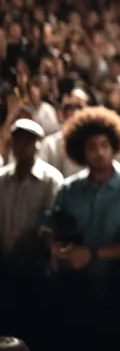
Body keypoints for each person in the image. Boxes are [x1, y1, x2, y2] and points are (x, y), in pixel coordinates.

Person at [49, 107, 120, 351]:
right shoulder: (68, 190)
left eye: (105, 145)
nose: (99, 152)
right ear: (80, 151)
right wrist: (58, 248)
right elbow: (56, 229)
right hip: (77, 290)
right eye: (92, 146)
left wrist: (92, 254)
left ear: (115, 146)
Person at [0, 119, 62, 350]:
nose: (21, 145)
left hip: (36, 269)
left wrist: (30, 242)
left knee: (35, 329)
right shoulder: (2, 179)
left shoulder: (50, 180)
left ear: (37, 145)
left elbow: (50, 224)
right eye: (16, 140)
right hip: (5, 267)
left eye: (27, 140)